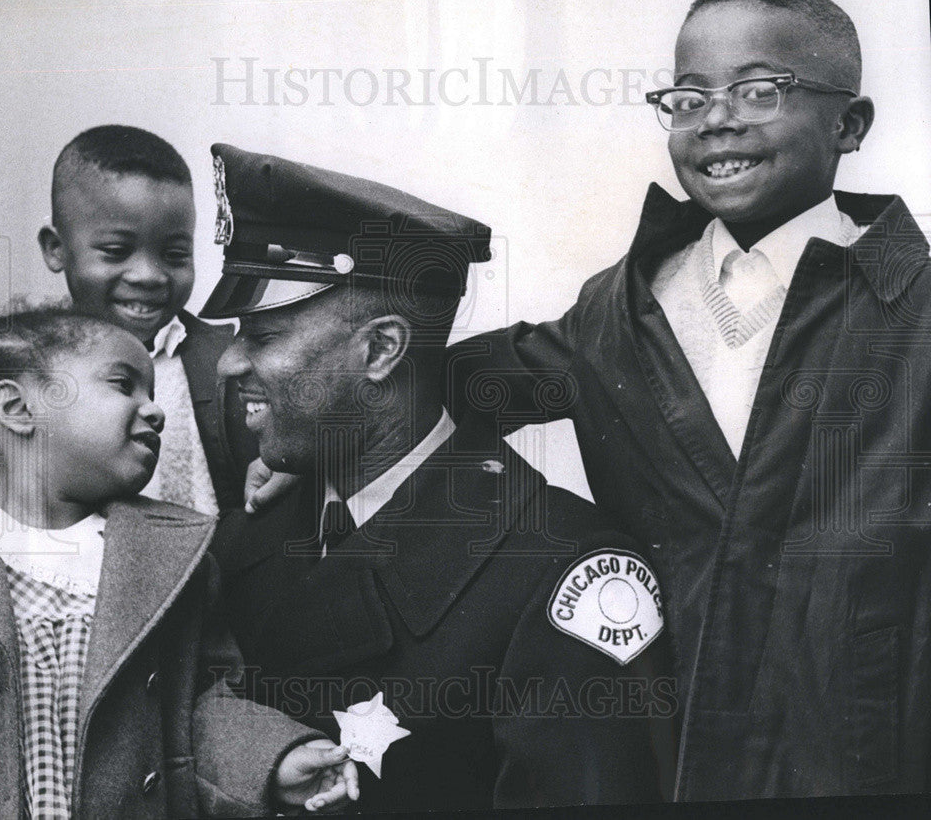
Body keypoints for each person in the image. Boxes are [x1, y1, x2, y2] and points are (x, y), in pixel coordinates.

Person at [440, 0, 931, 800]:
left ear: (849, 123)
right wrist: (307, 440)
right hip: (661, 752)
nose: (717, 119)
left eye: (759, 89)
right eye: (688, 96)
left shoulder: (914, 307)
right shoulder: (621, 306)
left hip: (859, 753)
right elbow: (457, 389)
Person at [202, 144, 676, 812]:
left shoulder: (562, 577)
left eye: (264, 336)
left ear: (381, 350)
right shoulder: (254, 532)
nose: (227, 365)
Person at [0, 308, 359, 817]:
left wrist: (275, 758)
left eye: (152, 393)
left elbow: (198, 709)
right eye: (122, 384)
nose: (155, 411)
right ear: (17, 408)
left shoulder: (174, 560)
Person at [37, 125, 258, 513]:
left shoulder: (231, 361)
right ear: (56, 249)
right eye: (117, 250)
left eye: (174, 256)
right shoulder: (27, 362)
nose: (149, 276)